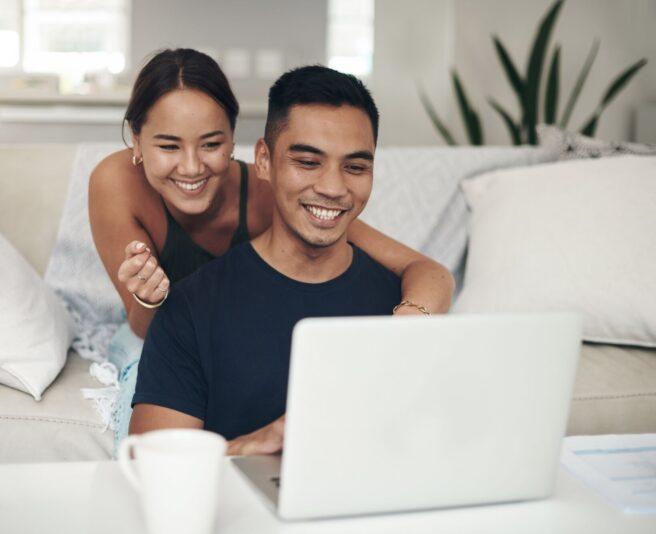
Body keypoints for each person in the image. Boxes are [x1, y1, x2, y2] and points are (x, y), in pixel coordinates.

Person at [88, 49, 454, 448]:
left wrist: (408, 323)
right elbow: (146, 324)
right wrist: (149, 296)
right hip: (155, 326)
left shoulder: (274, 194)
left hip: (224, 322)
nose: (192, 167)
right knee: (140, 381)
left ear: (233, 141)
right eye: (169, 147)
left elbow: (419, 267)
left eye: (210, 144)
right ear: (137, 139)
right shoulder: (116, 183)